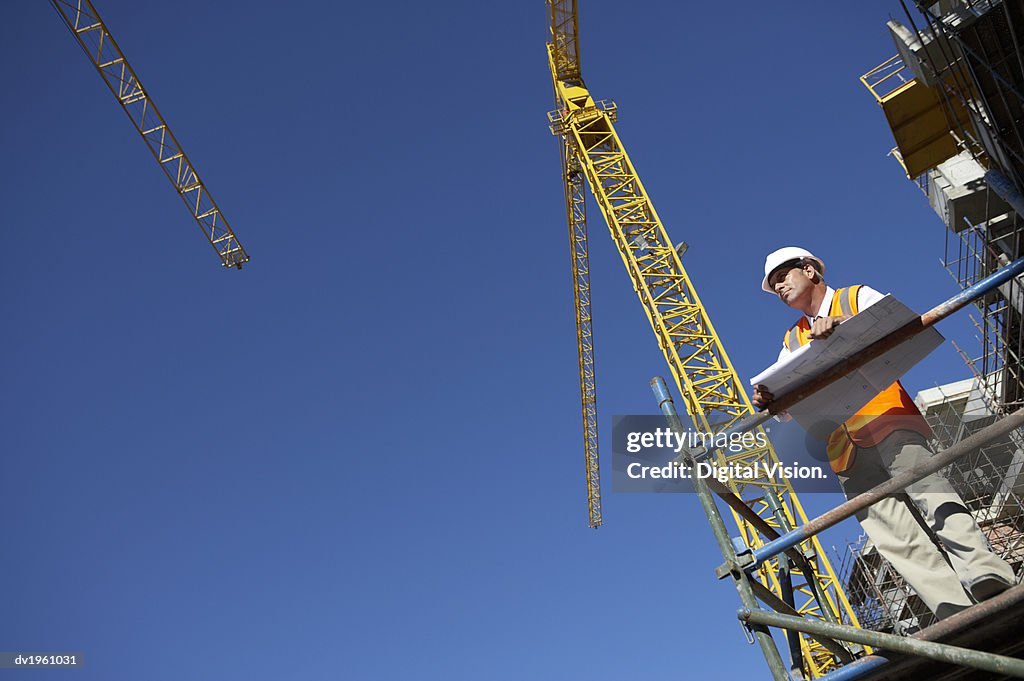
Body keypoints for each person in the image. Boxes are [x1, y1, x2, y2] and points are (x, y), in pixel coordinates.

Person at [753, 246, 1016, 620]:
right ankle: (950, 606)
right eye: (773, 283)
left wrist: (841, 326)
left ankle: (985, 573)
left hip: (887, 420)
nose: (778, 286)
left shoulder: (856, 296)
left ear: (810, 270)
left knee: (934, 495)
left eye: (783, 276)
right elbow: (790, 413)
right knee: (892, 533)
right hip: (843, 449)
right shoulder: (791, 341)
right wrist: (771, 400)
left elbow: (900, 328)